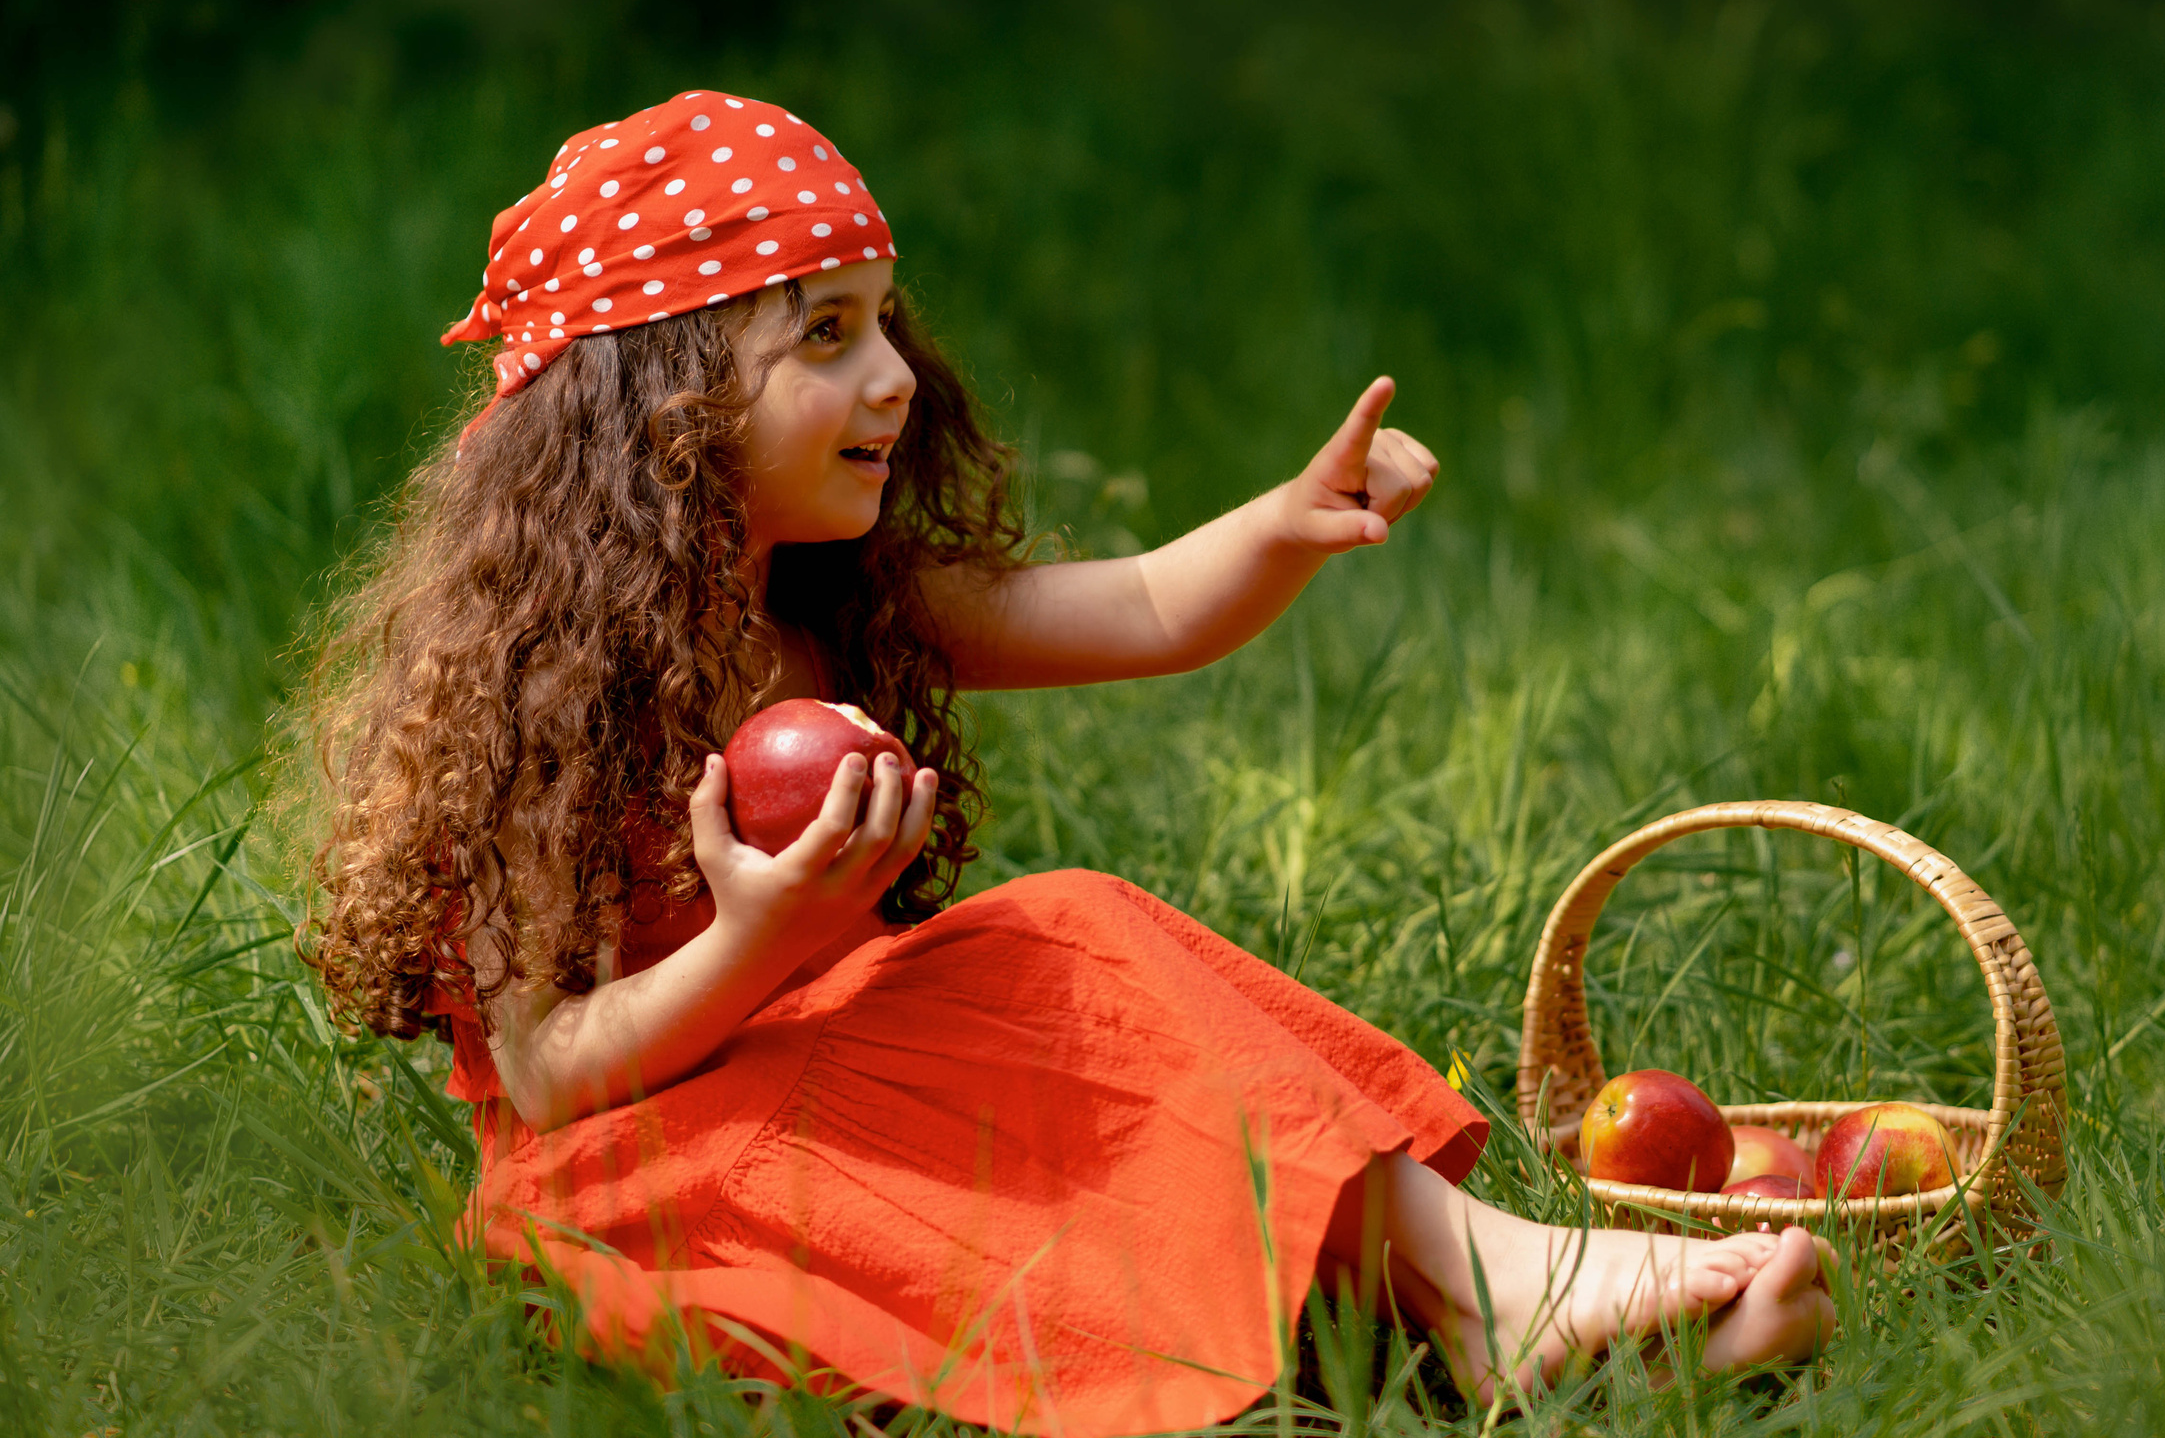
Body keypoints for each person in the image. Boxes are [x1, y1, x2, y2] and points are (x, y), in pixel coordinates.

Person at [299, 89, 1833, 1437]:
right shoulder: (561, 690)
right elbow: (558, 1077)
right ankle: (1499, 1297)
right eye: (824, 334)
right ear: (659, 405)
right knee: (1060, 941)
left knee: (1079, 965)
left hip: (819, 1086)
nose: (894, 372)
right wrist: (770, 938)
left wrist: (1284, 527)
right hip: (655, 1178)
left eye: (886, 319)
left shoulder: (834, 605)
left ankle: (1488, 1302)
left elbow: (1145, 606)